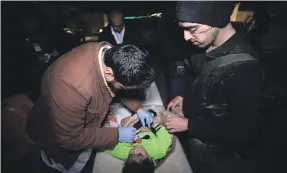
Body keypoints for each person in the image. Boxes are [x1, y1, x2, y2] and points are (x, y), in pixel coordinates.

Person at [26, 42, 155, 173]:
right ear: (109, 74)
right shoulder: (71, 88)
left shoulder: (109, 55)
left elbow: (117, 88)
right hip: (56, 140)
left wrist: (138, 109)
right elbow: (69, 139)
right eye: (122, 87)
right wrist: (116, 135)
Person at [165, 1, 261, 173]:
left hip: (219, 158)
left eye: (192, 28)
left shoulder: (244, 68)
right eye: (183, 29)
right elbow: (202, 81)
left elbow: (244, 130)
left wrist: (189, 125)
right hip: (198, 148)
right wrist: (184, 96)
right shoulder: (205, 46)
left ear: (217, 19)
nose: (186, 37)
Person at [105, 111, 174, 173]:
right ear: (150, 158)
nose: (134, 150)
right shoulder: (159, 149)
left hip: (132, 130)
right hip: (150, 131)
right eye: (140, 154)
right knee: (153, 115)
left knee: (124, 121)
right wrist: (157, 124)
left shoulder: (121, 152)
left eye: (130, 155)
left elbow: (103, 143)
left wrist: (121, 131)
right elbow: (164, 136)